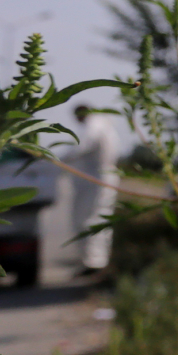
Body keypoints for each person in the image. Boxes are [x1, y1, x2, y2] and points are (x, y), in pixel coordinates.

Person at [69, 104, 121, 273]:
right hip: (103, 178)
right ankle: (98, 261)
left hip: (95, 180)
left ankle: (94, 263)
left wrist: (51, 157)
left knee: (89, 220)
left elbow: (80, 148)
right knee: (100, 219)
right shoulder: (104, 125)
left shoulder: (93, 126)